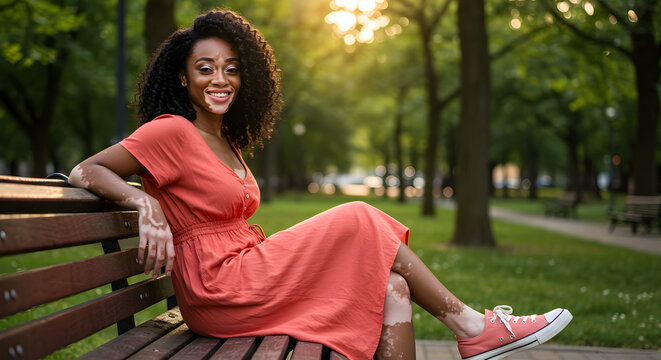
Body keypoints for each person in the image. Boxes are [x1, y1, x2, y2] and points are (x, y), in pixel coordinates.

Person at [69, 9, 572, 360]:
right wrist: (143, 203)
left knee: (394, 288)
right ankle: (473, 328)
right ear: (183, 78)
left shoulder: (226, 141)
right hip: (219, 288)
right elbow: (85, 171)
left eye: (231, 69)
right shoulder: (172, 131)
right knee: (358, 216)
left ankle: (475, 332)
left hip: (247, 272)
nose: (220, 79)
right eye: (205, 69)